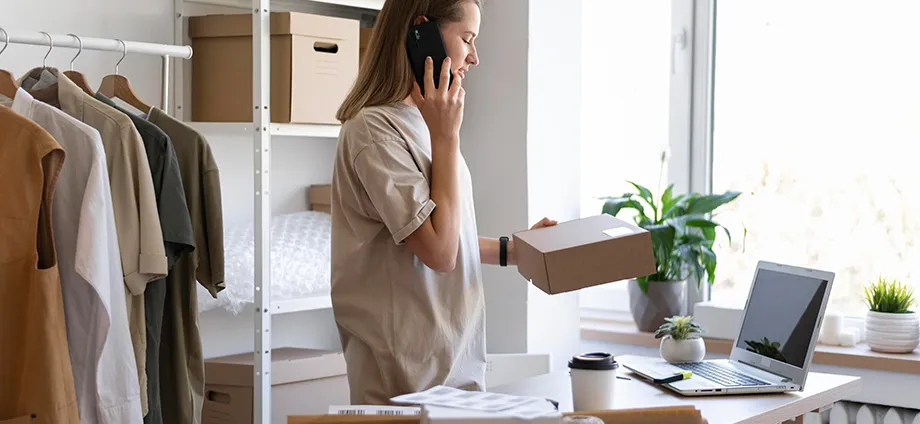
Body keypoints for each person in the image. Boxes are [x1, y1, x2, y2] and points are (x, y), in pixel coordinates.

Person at [329, 0, 557, 405]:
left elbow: (443, 231)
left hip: (454, 369)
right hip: (403, 382)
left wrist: (512, 249)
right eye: (467, 38)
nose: (475, 56)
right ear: (423, 33)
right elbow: (439, 251)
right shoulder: (375, 131)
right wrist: (447, 137)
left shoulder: (423, 122)